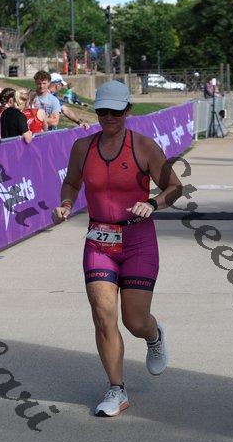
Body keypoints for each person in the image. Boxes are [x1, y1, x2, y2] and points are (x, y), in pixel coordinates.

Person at [53, 80, 182, 417]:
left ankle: (153, 335)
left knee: (134, 321)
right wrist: (66, 203)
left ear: (128, 110)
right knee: (103, 314)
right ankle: (116, 388)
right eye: (102, 111)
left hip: (138, 241)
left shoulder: (143, 147)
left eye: (115, 111)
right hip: (99, 240)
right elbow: (71, 182)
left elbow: (174, 186)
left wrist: (152, 203)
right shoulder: (83, 147)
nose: (108, 117)